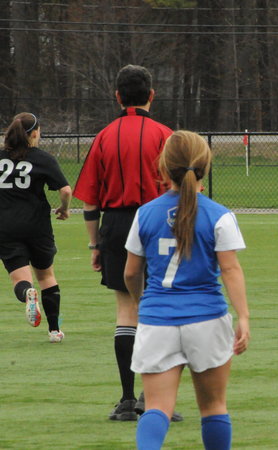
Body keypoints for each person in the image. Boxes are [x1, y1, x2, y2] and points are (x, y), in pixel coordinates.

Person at [124, 130, 250, 449]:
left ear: (163, 168)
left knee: (156, 408)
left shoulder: (145, 214)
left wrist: (141, 302)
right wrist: (244, 317)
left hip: (157, 321)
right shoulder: (219, 215)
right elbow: (230, 269)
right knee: (213, 407)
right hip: (207, 319)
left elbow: (131, 272)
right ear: (205, 168)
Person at [72, 65, 178, 421]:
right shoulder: (165, 135)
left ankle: (127, 401)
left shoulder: (104, 136)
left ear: (117, 96)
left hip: (116, 226)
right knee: (160, 309)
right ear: (152, 95)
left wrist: (95, 245)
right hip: (159, 224)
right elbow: (181, 190)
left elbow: (90, 201)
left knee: (126, 310)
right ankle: (154, 400)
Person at [0, 112, 71, 343]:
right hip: (37, 226)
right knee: (46, 276)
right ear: (33, 133)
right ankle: (54, 331)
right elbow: (65, 190)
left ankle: (27, 294)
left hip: (6, 226)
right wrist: (64, 208)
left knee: (20, 279)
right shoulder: (42, 158)